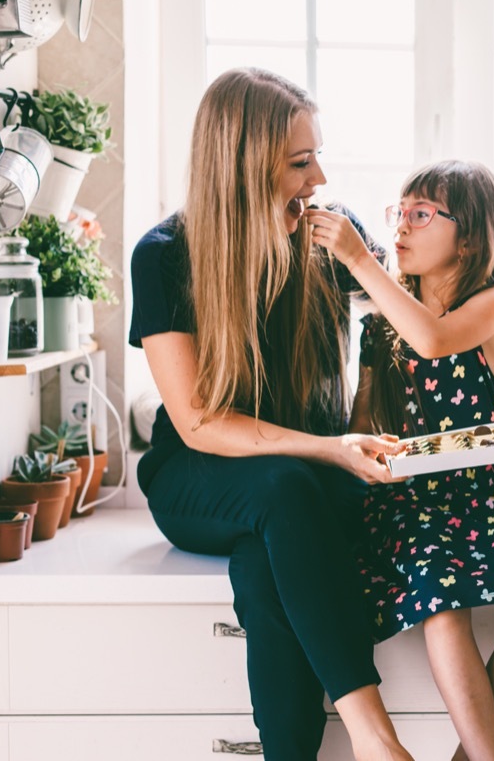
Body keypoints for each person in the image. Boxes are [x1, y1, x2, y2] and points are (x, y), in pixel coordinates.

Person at [129, 68, 412, 761]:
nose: (319, 176)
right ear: (244, 165)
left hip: (303, 494)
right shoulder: (165, 257)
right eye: (299, 161)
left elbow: (418, 325)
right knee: (283, 490)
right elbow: (197, 423)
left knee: (264, 562)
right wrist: (327, 447)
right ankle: (377, 739)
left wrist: (362, 259)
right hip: (200, 477)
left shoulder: (327, 238)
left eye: (316, 154)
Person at [304, 160, 494, 761]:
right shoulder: (382, 328)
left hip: (491, 492)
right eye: (398, 213)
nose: (402, 227)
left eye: (421, 214)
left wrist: (357, 258)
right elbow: (364, 424)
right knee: (441, 603)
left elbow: (432, 337)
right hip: (412, 501)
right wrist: (358, 461)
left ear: (470, 236)